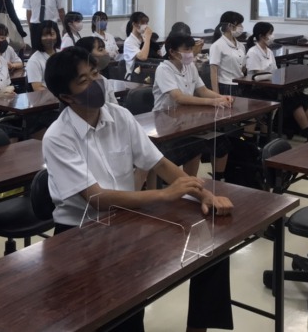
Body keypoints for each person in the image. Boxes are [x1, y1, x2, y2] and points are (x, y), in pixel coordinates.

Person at [42, 48, 234, 332]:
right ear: (67, 97)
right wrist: (165, 194)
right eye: (84, 81)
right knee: (122, 313)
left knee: (209, 248)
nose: (95, 83)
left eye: (95, 74)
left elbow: (160, 163)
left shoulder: (119, 116)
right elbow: (98, 199)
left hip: (125, 219)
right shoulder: (58, 137)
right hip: (80, 234)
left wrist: (203, 193)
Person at [153, 33, 234, 177]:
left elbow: (202, 90)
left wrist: (221, 97)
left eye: (191, 49)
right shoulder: (163, 69)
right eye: (186, 49)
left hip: (187, 120)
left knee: (222, 142)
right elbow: (179, 98)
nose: (190, 53)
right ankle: (190, 183)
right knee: (195, 146)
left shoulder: (189, 66)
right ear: (172, 52)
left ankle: (218, 179)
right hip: (167, 123)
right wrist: (212, 102)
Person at [245, 22, 308, 141]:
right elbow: (256, 74)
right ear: (261, 36)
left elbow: (275, 71)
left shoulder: (269, 51)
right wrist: (274, 78)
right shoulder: (253, 52)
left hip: (272, 86)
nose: (272, 36)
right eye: (270, 33)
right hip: (259, 89)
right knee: (292, 99)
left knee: (299, 96)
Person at [209, 11, 247, 97]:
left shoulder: (241, 46)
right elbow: (213, 72)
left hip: (241, 84)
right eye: (239, 24)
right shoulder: (217, 45)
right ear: (230, 26)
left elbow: (243, 68)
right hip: (226, 85)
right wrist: (216, 95)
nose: (241, 27)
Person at [75, 36, 118, 104]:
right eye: (100, 50)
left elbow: (115, 105)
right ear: (87, 54)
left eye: (104, 49)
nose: (106, 52)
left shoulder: (104, 80)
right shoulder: (77, 83)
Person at [26, 20, 61, 91]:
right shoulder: (34, 61)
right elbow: (37, 88)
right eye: (44, 35)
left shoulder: (62, 54)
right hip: (47, 96)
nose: (49, 38)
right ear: (39, 37)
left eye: (52, 34)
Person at [123, 11, 153, 79]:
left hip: (146, 74)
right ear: (134, 24)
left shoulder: (143, 38)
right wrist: (147, 38)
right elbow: (143, 57)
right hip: (133, 76)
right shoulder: (129, 42)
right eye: (142, 23)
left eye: (146, 23)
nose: (145, 25)